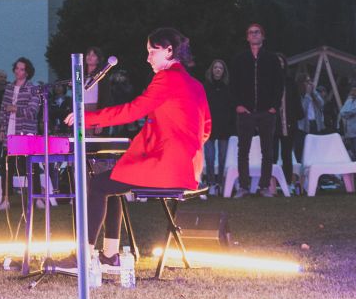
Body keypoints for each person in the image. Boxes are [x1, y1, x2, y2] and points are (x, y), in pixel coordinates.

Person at [64, 28, 209, 266]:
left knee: (99, 185)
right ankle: (109, 255)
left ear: (169, 51)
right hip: (186, 169)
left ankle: (85, 255)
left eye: (153, 51)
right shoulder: (195, 84)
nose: (148, 57)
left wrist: (86, 117)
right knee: (109, 181)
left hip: (166, 167)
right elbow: (206, 130)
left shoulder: (167, 78)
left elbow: (132, 111)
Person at [229, 22, 286, 197]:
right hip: (245, 112)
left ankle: (264, 186)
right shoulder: (240, 59)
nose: (254, 35)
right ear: (247, 37)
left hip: (266, 112)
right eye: (251, 32)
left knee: (267, 150)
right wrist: (237, 104)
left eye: (257, 32)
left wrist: (273, 107)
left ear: (263, 36)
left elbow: (279, 84)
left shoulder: (271, 59)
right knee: (243, 150)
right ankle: (244, 186)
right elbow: (233, 84)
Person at [0, 57, 46, 210]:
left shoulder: (33, 88)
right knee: (7, 167)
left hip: (26, 133)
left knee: (32, 166)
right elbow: (3, 109)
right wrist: (2, 129)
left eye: (22, 69)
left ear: (27, 72)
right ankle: (5, 199)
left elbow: (32, 112)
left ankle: (37, 198)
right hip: (9, 133)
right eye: (17, 68)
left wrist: (15, 109)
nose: (18, 72)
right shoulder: (9, 88)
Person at [202, 60, 234, 191]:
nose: (218, 70)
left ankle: (220, 182)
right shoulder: (205, 87)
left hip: (224, 126)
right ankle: (210, 182)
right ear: (212, 70)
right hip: (208, 126)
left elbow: (231, 108)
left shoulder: (228, 88)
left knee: (222, 156)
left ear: (224, 71)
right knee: (209, 157)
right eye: (215, 67)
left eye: (220, 68)